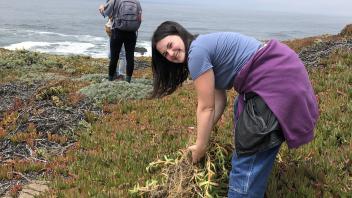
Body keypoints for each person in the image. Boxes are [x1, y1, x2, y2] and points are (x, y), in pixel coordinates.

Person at [151, 21, 319, 197]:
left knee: (247, 158)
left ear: (179, 34)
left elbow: (206, 107)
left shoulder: (197, 53)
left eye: (170, 45)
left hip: (275, 80)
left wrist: (200, 146)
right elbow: (219, 101)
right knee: (240, 106)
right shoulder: (202, 46)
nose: (171, 53)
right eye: (165, 54)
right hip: (282, 71)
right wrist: (202, 132)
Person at [99, 0, 142, 82]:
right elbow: (139, 18)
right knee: (130, 57)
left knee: (114, 57)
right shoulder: (136, 2)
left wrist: (101, 8)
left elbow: (105, 14)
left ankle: (110, 80)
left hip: (118, 32)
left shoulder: (115, 1)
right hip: (132, 33)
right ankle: (128, 81)